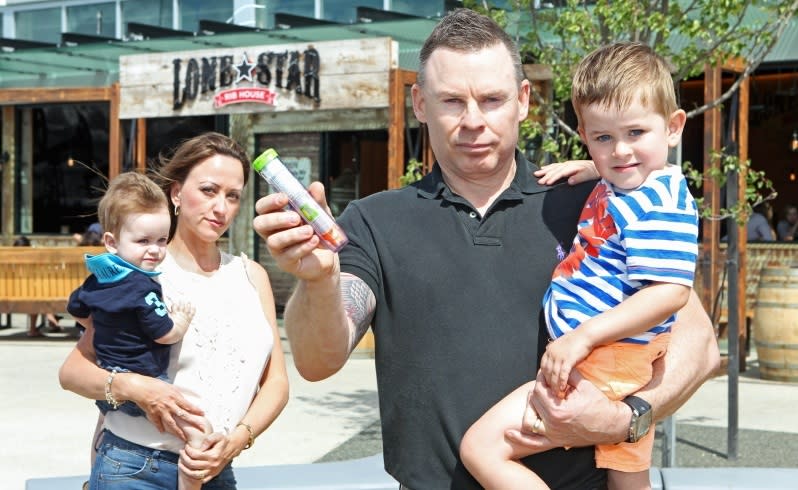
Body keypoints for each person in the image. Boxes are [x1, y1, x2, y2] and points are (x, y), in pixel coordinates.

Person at [254, 9, 718, 489]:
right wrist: (317, 280)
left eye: (492, 99)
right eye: (452, 101)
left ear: (522, 100)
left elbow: (697, 342)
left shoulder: (596, 201)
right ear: (419, 103)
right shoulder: (374, 222)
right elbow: (316, 360)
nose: (473, 121)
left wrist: (626, 420)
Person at [460, 42, 698, 490]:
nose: (621, 151)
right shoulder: (634, 184)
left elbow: (670, 291)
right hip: (619, 359)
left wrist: (580, 338)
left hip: (602, 361)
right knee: (626, 481)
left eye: (635, 134)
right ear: (585, 135)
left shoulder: (660, 205)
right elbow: (622, 164)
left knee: (482, 448)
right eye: (604, 137)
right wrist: (594, 168)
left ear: (673, 127)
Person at [59, 132, 289, 489]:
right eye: (209, 190)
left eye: (232, 196)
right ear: (177, 193)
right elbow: (73, 372)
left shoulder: (251, 276)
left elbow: (275, 383)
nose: (221, 208)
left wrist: (236, 440)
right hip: (134, 467)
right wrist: (136, 387)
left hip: (215, 469)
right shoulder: (140, 273)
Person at [66, 171, 207, 490]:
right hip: (145, 380)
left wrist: (101, 324)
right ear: (111, 242)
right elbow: (164, 334)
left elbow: (76, 307)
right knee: (197, 431)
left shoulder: (97, 279)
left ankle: (93, 480)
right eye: (143, 241)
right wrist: (181, 321)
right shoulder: (143, 288)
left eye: (161, 240)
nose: (154, 250)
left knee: (106, 425)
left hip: (109, 377)